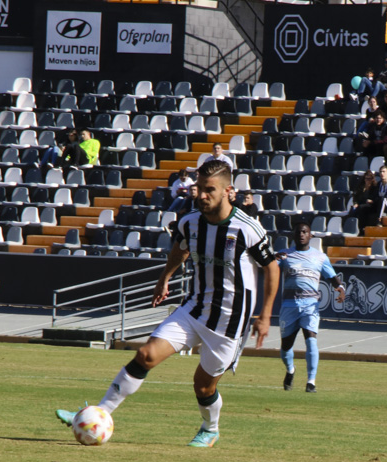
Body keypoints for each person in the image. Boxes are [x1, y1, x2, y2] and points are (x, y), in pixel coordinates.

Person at [55, 160, 279, 447]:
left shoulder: (247, 229)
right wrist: (165, 277)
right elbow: (180, 249)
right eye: (199, 188)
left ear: (228, 191)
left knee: (202, 386)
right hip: (194, 308)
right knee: (146, 355)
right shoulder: (189, 222)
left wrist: (265, 315)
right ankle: (96, 414)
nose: (202, 195)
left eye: (210, 190)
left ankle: (210, 429)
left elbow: (272, 268)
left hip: (228, 322)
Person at [276, 222, 345, 394]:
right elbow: (269, 270)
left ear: (310, 236)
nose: (301, 234)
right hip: (289, 305)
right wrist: (273, 260)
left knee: (311, 339)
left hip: (310, 305)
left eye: (305, 232)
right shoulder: (285, 255)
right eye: (298, 232)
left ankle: (311, 381)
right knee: (285, 348)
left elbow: (332, 276)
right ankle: (290, 369)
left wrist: (341, 288)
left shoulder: (320, 257)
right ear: (294, 235)